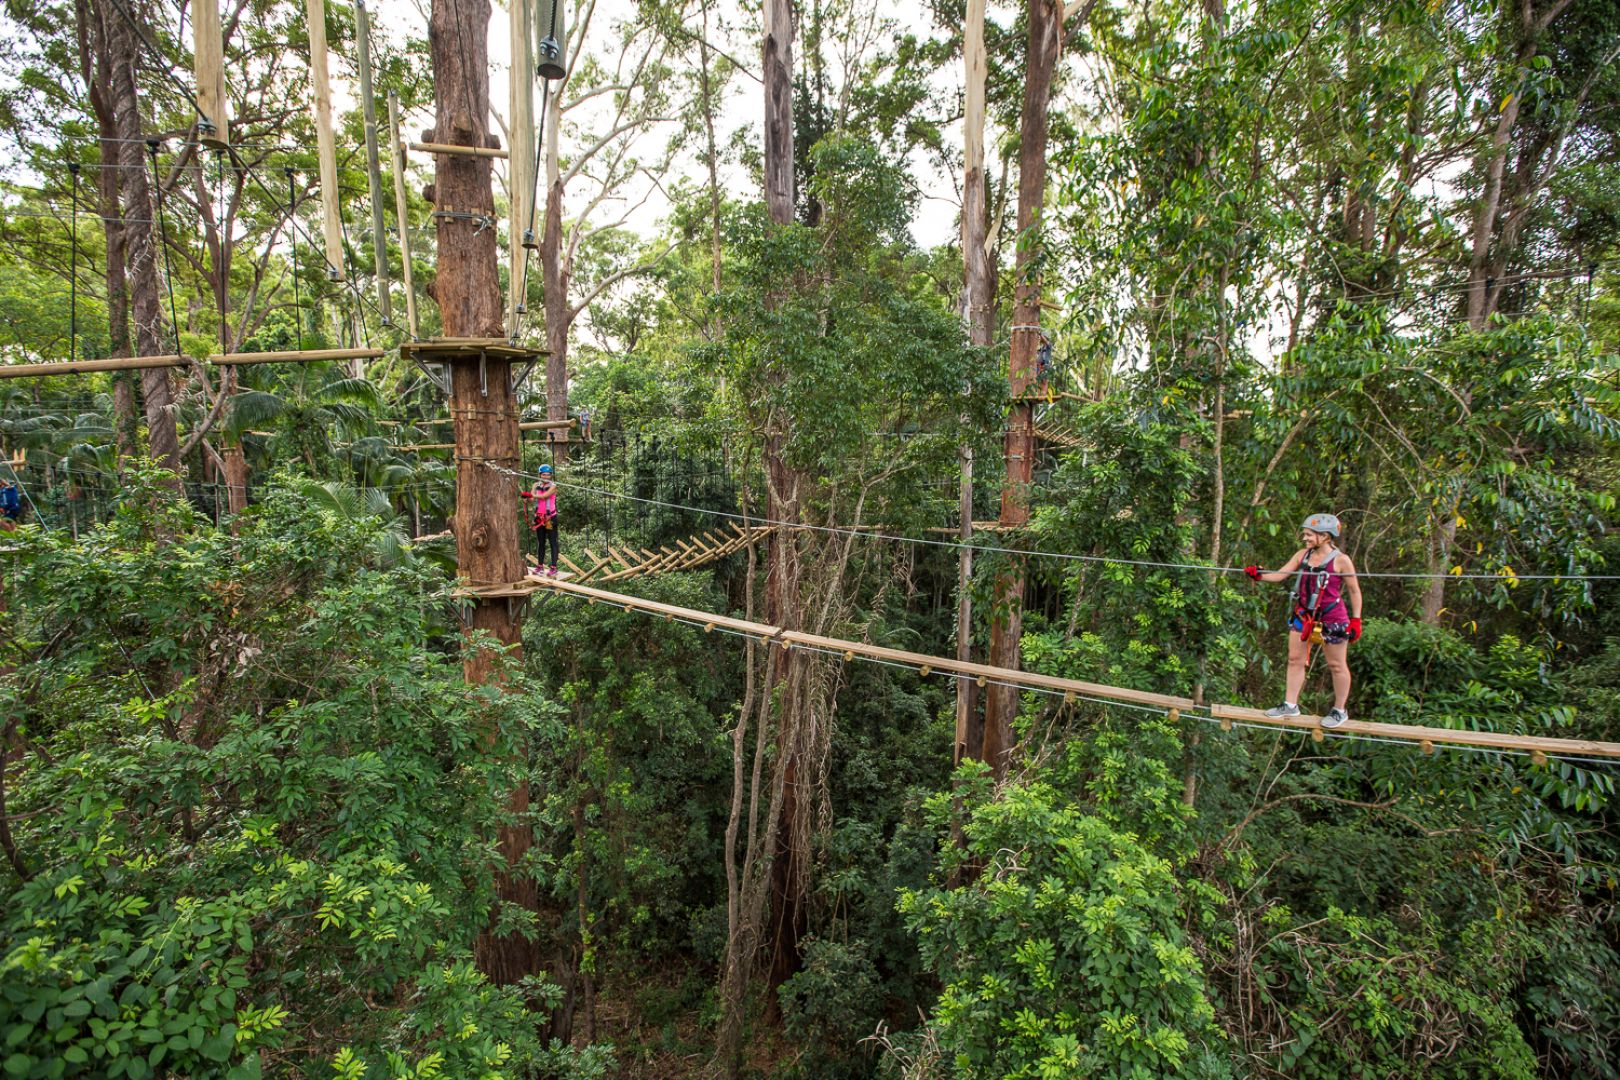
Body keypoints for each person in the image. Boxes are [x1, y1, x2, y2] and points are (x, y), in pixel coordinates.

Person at [1244, 512, 1364, 728]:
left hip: (1332, 618)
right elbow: (1281, 575)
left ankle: (1339, 710)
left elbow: (1354, 591)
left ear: (1325, 536)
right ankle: (1290, 704)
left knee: (1336, 665)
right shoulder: (1303, 555)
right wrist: (1259, 576)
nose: (1305, 538)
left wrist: (1356, 620)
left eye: (1310, 535)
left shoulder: (1341, 561)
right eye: (1305, 534)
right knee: (1294, 659)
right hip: (1304, 615)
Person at [520, 464, 560, 577]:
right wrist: (526, 499)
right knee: (540, 542)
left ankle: (553, 567)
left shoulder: (553, 486)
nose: (546, 477)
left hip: (549, 518)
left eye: (548, 475)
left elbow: (544, 496)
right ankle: (540, 566)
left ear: (551, 475)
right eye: (543, 474)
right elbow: (532, 499)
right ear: (540, 475)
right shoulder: (535, 485)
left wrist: (530, 495)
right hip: (539, 518)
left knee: (552, 542)